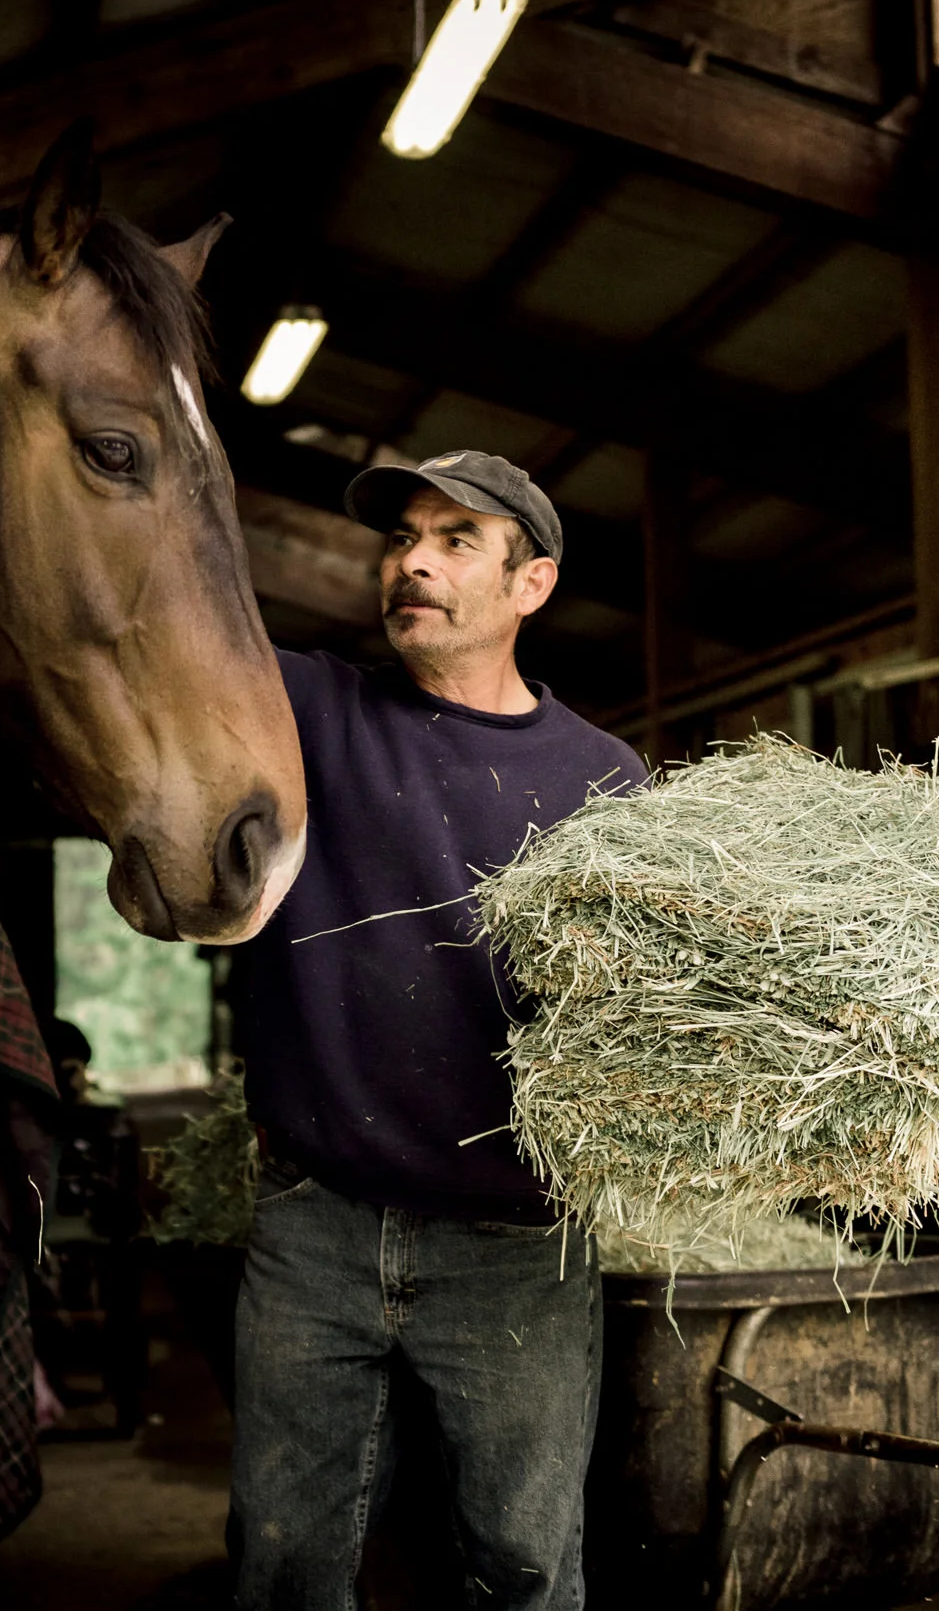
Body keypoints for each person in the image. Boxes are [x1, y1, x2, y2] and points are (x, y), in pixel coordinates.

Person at [229, 449, 647, 1608]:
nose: (410, 560)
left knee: (521, 1564)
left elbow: (640, 1023)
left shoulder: (605, 786)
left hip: (516, 1243)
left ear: (532, 584)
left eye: (457, 538)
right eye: (403, 536)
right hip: (317, 1222)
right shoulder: (308, 707)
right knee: (282, 1562)